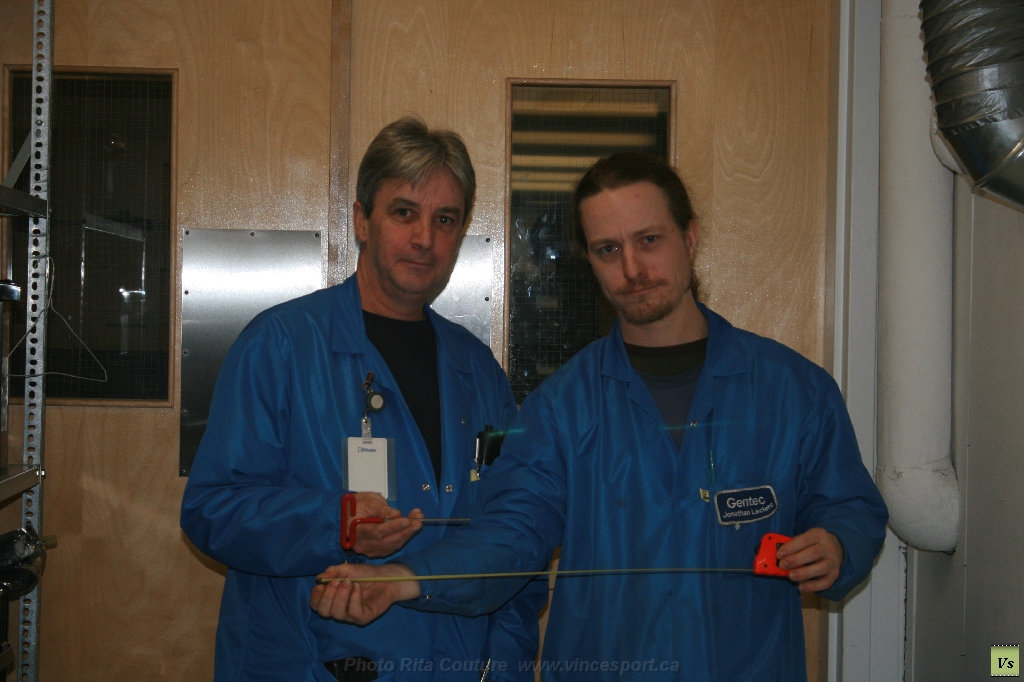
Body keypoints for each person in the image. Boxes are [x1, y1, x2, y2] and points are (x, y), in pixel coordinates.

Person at [310, 152, 889, 681]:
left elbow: (850, 506)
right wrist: (404, 578)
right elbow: (510, 536)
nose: (632, 268)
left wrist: (837, 544)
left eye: (649, 240)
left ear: (689, 238)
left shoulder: (794, 391)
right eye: (608, 250)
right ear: (589, 261)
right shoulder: (562, 408)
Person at [181, 117, 545, 682]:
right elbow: (213, 510)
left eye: (444, 219)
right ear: (361, 221)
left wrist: (505, 669)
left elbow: (517, 530)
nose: (424, 238)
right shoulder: (280, 346)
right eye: (404, 212)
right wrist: (336, 524)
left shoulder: (479, 373)